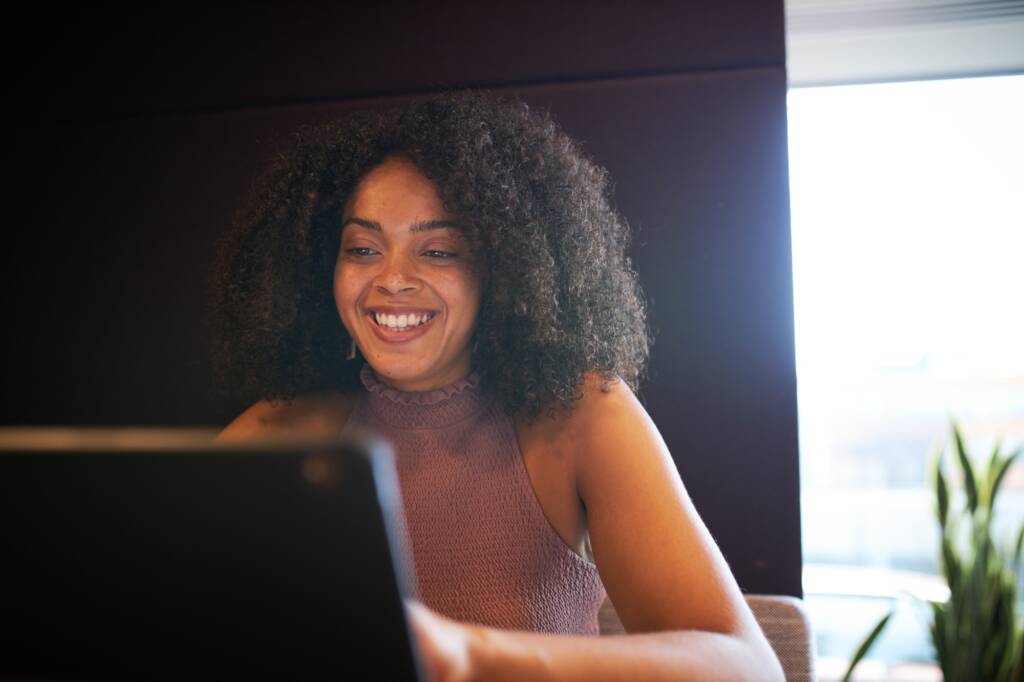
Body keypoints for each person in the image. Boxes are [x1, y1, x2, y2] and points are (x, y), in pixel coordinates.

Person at [212, 92, 784, 681]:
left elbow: (749, 670)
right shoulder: (275, 435)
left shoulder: (582, 413)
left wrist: (468, 656)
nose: (393, 280)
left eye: (438, 250)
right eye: (362, 249)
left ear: (505, 269)